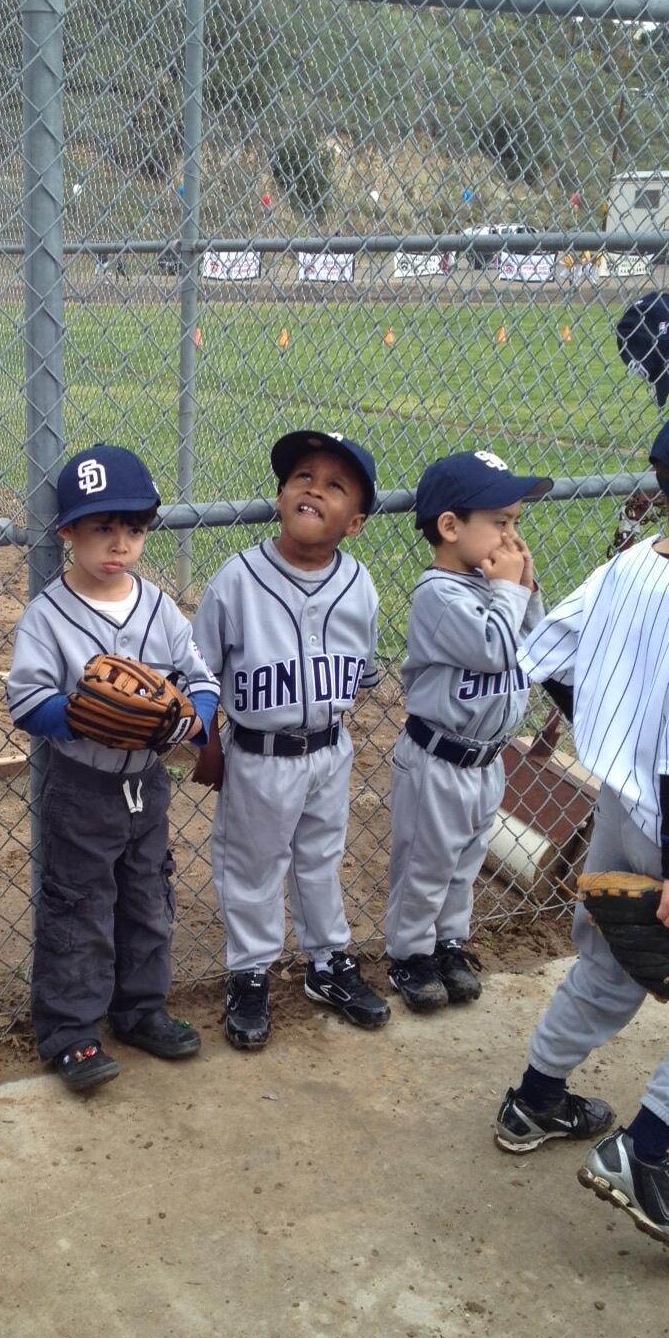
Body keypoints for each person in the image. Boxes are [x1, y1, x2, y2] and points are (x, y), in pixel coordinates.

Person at [493, 393, 669, 1263]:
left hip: (620, 814)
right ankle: (645, 1150)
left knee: (606, 966)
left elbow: (545, 653)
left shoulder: (631, 567)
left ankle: (535, 1100)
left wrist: (610, 732)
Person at [6, 445, 219, 1090]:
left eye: (132, 528)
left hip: (147, 781)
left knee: (149, 897)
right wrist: (78, 717)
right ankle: (71, 1032)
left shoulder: (158, 606)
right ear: (68, 532)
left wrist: (191, 721)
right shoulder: (48, 614)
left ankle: (141, 1009)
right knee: (79, 906)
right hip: (82, 783)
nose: (119, 543)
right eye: (101, 527)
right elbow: (26, 700)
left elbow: (199, 681)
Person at [192, 430, 388, 1048]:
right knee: (250, 868)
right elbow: (201, 674)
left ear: (354, 522)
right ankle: (248, 970)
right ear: (280, 495)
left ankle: (327, 963)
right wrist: (209, 742)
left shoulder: (359, 585)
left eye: (334, 486)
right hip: (258, 753)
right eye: (302, 477)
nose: (314, 490)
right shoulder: (237, 580)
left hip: (330, 749)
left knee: (321, 861)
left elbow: (361, 669)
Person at [384, 451, 550, 1010]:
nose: (512, 538)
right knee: (426, 866)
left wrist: (523, 586)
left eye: (516, 524)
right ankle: (409, 955)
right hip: (437, 760)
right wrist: (509, 590)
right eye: (499, 523)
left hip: (486, 761)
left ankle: (448, 943)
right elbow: (495, 651)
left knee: (465, 865)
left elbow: (536, 641)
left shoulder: (493, 587)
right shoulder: (438, 595)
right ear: (451, 528)